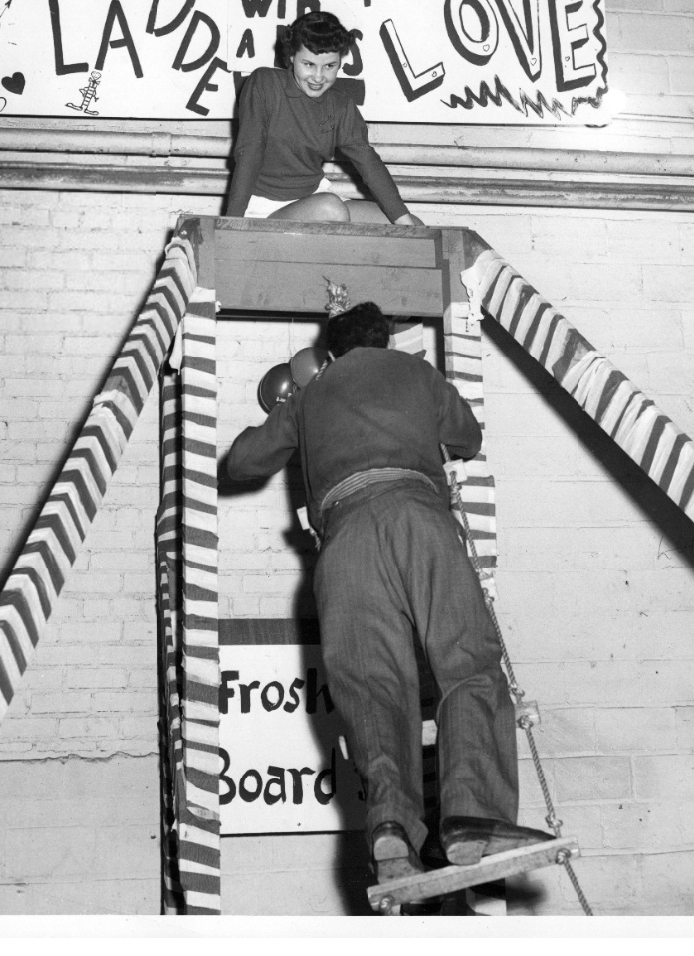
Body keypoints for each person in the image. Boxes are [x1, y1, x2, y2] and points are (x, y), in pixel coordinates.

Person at [225, 302, 551, 884]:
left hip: (345, 540)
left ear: (332, 352)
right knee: (468, 665)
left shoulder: (309, 394)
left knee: (373, 690)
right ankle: (472, 816)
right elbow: (468, 438)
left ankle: (392, 834)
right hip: (418, 519)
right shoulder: (417, 374)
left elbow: (243, 461)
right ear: (388, 342)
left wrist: (291, 411)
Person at [224, 11, 424, 226]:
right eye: (308, 64)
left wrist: (404, 221)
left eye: (329, 66)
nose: (318, 77)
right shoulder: (265, 83)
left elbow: (368, 162)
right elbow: (250, 152)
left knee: (414, 226)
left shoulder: (340, 104)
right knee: (331, 209)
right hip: (262, 207)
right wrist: (232, 223)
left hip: (314, 200)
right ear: (291, 56)